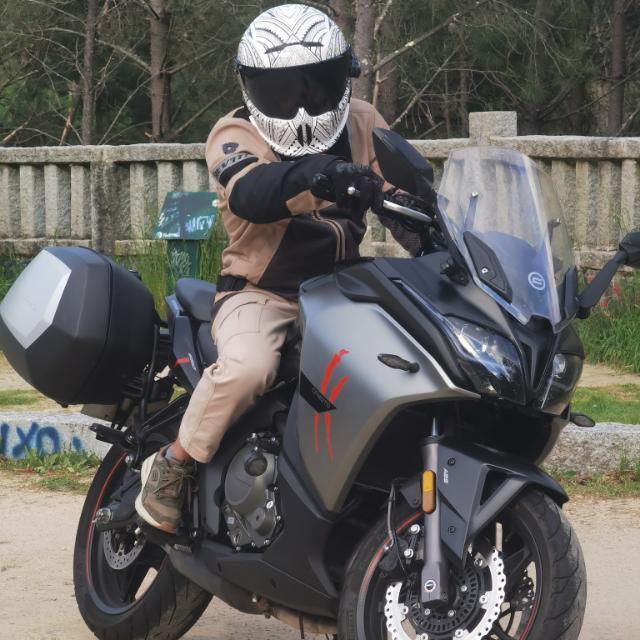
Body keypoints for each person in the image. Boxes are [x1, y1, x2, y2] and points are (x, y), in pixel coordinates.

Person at [135, 3, 421, 533]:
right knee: (248, 368)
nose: (301, 104)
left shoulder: (363, 121)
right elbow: (251, 192)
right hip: (261, 293)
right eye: (283, 91)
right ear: (252, 89)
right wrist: (323, 174)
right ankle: (173, 464)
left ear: (343, 77)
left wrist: (436, 229)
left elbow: (404, 196)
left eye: (315, 86)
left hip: (343, 293)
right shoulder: (234, 131)